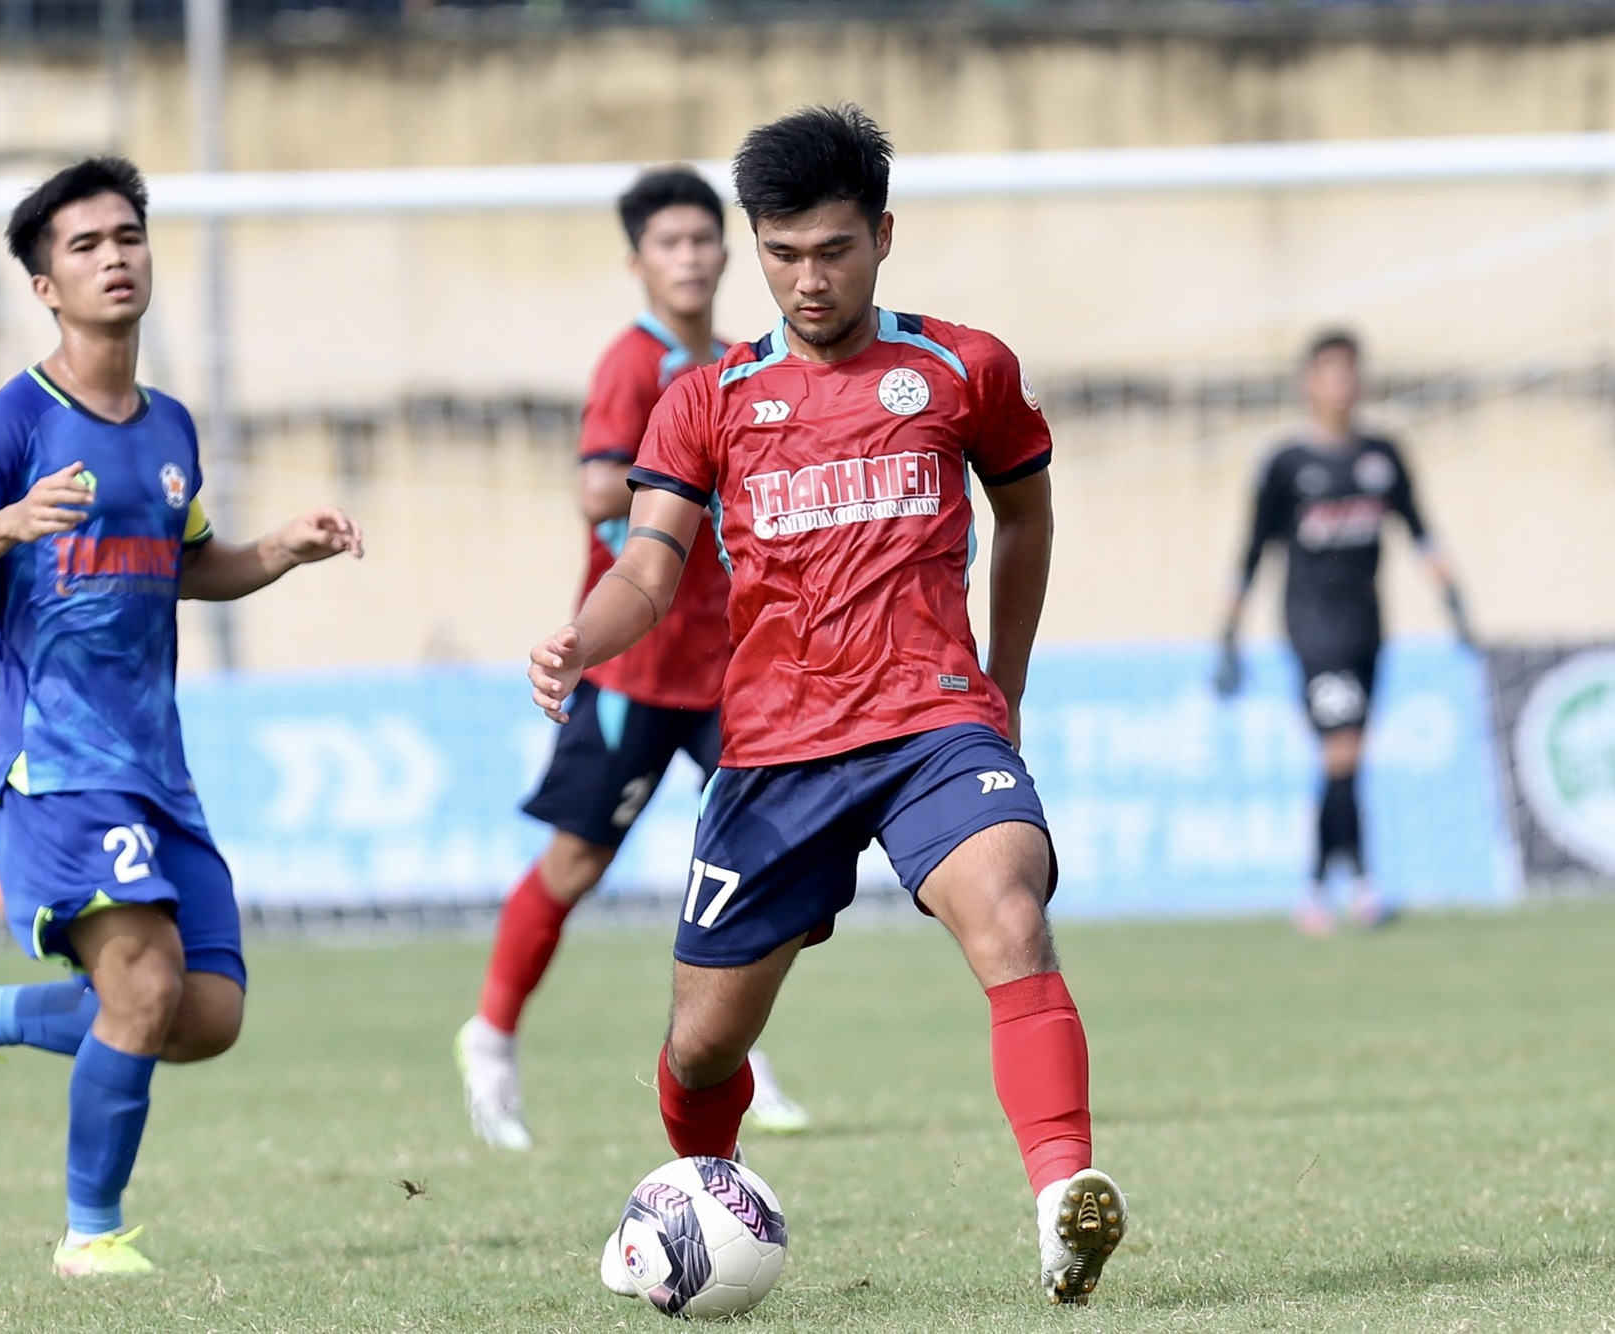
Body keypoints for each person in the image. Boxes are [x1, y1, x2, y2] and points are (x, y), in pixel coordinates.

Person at [528, 105, 1127, 1307]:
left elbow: (1027, 516)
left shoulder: (963, 369)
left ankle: (1064, 1189)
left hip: (930, 724)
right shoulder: (706, 400)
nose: (808, 279)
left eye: (834, 251)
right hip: (774, 752)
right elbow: (648, 567)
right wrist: (576, 641)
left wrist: (1001, 683)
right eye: (782, 253)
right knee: (702, 1044)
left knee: (1009, 910)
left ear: (884, 236)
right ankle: (704, 1199)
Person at [0, 157, 364, 1277]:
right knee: (143, 985)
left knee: (203, 1013)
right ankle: (89, 1233)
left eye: (126, 238)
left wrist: (277, 555)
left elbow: (188, 562)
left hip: (159, 765)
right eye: (85, 246)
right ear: (46, 285)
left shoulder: (170, 427)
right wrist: (6, 520)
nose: (113, 258)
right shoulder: (10, 422)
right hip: (53, 762)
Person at [455, 168, 809, 1150]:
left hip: (727, 662)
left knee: (760, 852)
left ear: (723, 250)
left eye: (702, 239)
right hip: (631, 666)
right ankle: (489, 1040)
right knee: (575, 861)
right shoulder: (633, 363)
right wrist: (691, 471)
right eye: (668, 243)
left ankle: (732, 1050)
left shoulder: (743, 362)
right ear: (637, 261)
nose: (689, 257)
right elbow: (594, 489)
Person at [1216, 330, 1471, 935]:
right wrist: (1227, 632)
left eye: (1351, 372)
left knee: (1346, 759)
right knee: (1342, 751)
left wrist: (1456, 601)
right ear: (1309, 383)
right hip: (1312, 628)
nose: (1342, 384)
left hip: (1368, 629)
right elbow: (1251, 552)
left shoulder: (1383, 456)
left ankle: (1329, 884)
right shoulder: (1286, 464)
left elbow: (1420, 530)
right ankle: (1344, 884)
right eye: (1330, 373)